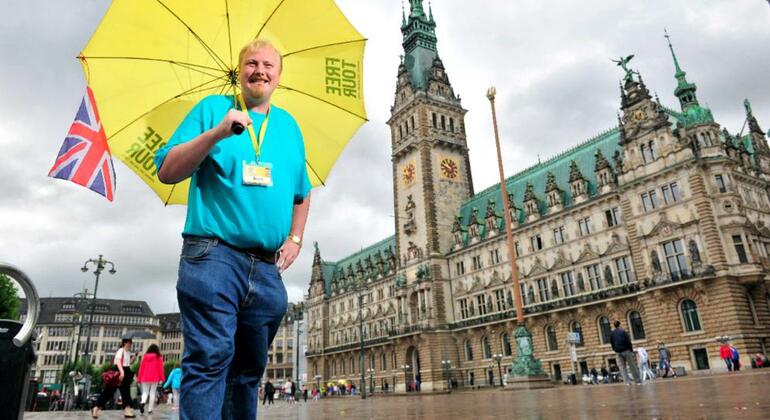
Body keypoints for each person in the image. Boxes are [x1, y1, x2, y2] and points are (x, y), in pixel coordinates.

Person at [155, 38, 312, 420]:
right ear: (239, 71)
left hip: (266, 267)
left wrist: (295, 239)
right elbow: (167, 169)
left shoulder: (289, 127)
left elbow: (302, 192)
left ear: (278, 76)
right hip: (213, 255)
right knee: (210, 358)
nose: (260, 70)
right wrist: (217, 134)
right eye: (251, 63)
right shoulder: (212, 109)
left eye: (268, 65)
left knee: (248, 371)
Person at [92, 338, 137, 418]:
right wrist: (122, 372)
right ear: (125, 343)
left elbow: (128, 363)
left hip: (126, 371)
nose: (131, 344)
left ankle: (127, 410)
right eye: (130, 342)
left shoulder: (127, 352)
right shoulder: (121, 350)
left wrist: (134, 357)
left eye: (131, 342)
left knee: (126, 392)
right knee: (109, 392)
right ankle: (96, 408)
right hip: (119, 372)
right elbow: (118, 361)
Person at [609, 320, 641, 385]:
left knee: (623, 367)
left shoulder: (612, 333)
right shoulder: (623, 331)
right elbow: (628, 341)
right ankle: (637, 381)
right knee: (632, 366)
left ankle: (627, 382)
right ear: (620, 325)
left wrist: (615, 350)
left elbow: (612, 343)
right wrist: (631, 350)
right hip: (626, 350)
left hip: (618, 352)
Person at [137, 344, 166, 415]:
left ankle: (142, 402)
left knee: (145, 392)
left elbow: (141, 368)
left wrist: (139, 378)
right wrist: (162, 377)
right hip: (154, 377)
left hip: (145, 377)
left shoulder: (145, 357)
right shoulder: (158, 357)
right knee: (152, 393)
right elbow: (160, 368)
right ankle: (150, 410)